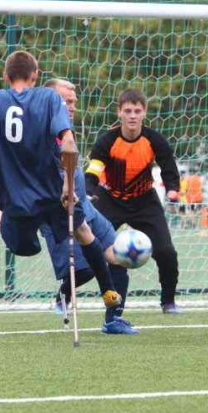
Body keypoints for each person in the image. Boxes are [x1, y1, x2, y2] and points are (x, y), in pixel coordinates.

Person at [0, 50, 121, 312]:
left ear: (5, 76)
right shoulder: (49, 98)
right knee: (84, 233)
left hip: (14, 202)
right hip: (52, 197)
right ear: (35, 75)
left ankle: (30, 246)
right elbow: (68, 143)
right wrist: (68, 187)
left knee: (23, 246)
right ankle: (109, 293)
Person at [41, 78, 135, 334]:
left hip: (87, 210)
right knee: (83, 271)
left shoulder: (66, 130)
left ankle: (113, 320)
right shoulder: (39, 133)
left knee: (119, 258)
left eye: (74, 102)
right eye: (66, 102)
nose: (72, 106)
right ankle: (64, 294)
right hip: (59, 214)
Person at [85, 89, 184, 314]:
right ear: (119, 112)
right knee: (90, 247)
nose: (132, 115)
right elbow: (93, 171)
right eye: (128, 111)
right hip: (109, 199)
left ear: (144, 113)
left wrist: (172, 190)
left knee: (167, 252)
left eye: (137, 111)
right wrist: (88, 191)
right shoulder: (106, 141)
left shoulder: (154, 140)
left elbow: (169, 168)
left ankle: (168, 302)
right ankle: (67, 297)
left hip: (144, 201)